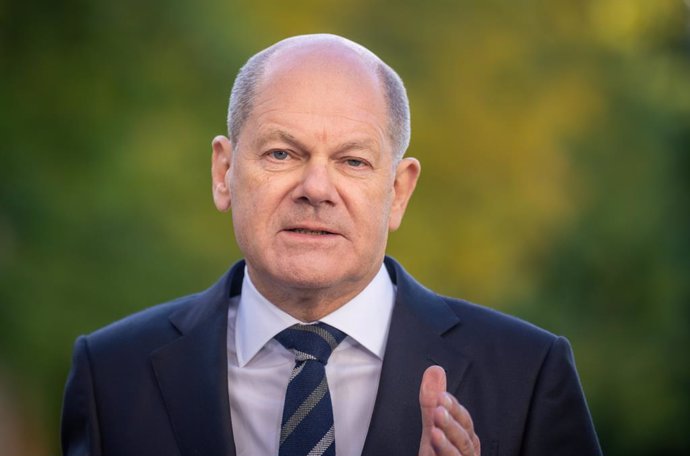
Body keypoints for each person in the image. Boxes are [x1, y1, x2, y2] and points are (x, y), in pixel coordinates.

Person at [61, 34, 602, 456]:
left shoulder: (527, 375)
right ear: (224, 172)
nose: (316, 189)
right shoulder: (112, 374)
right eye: (281, 154)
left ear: (397, 190)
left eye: (353, 161)